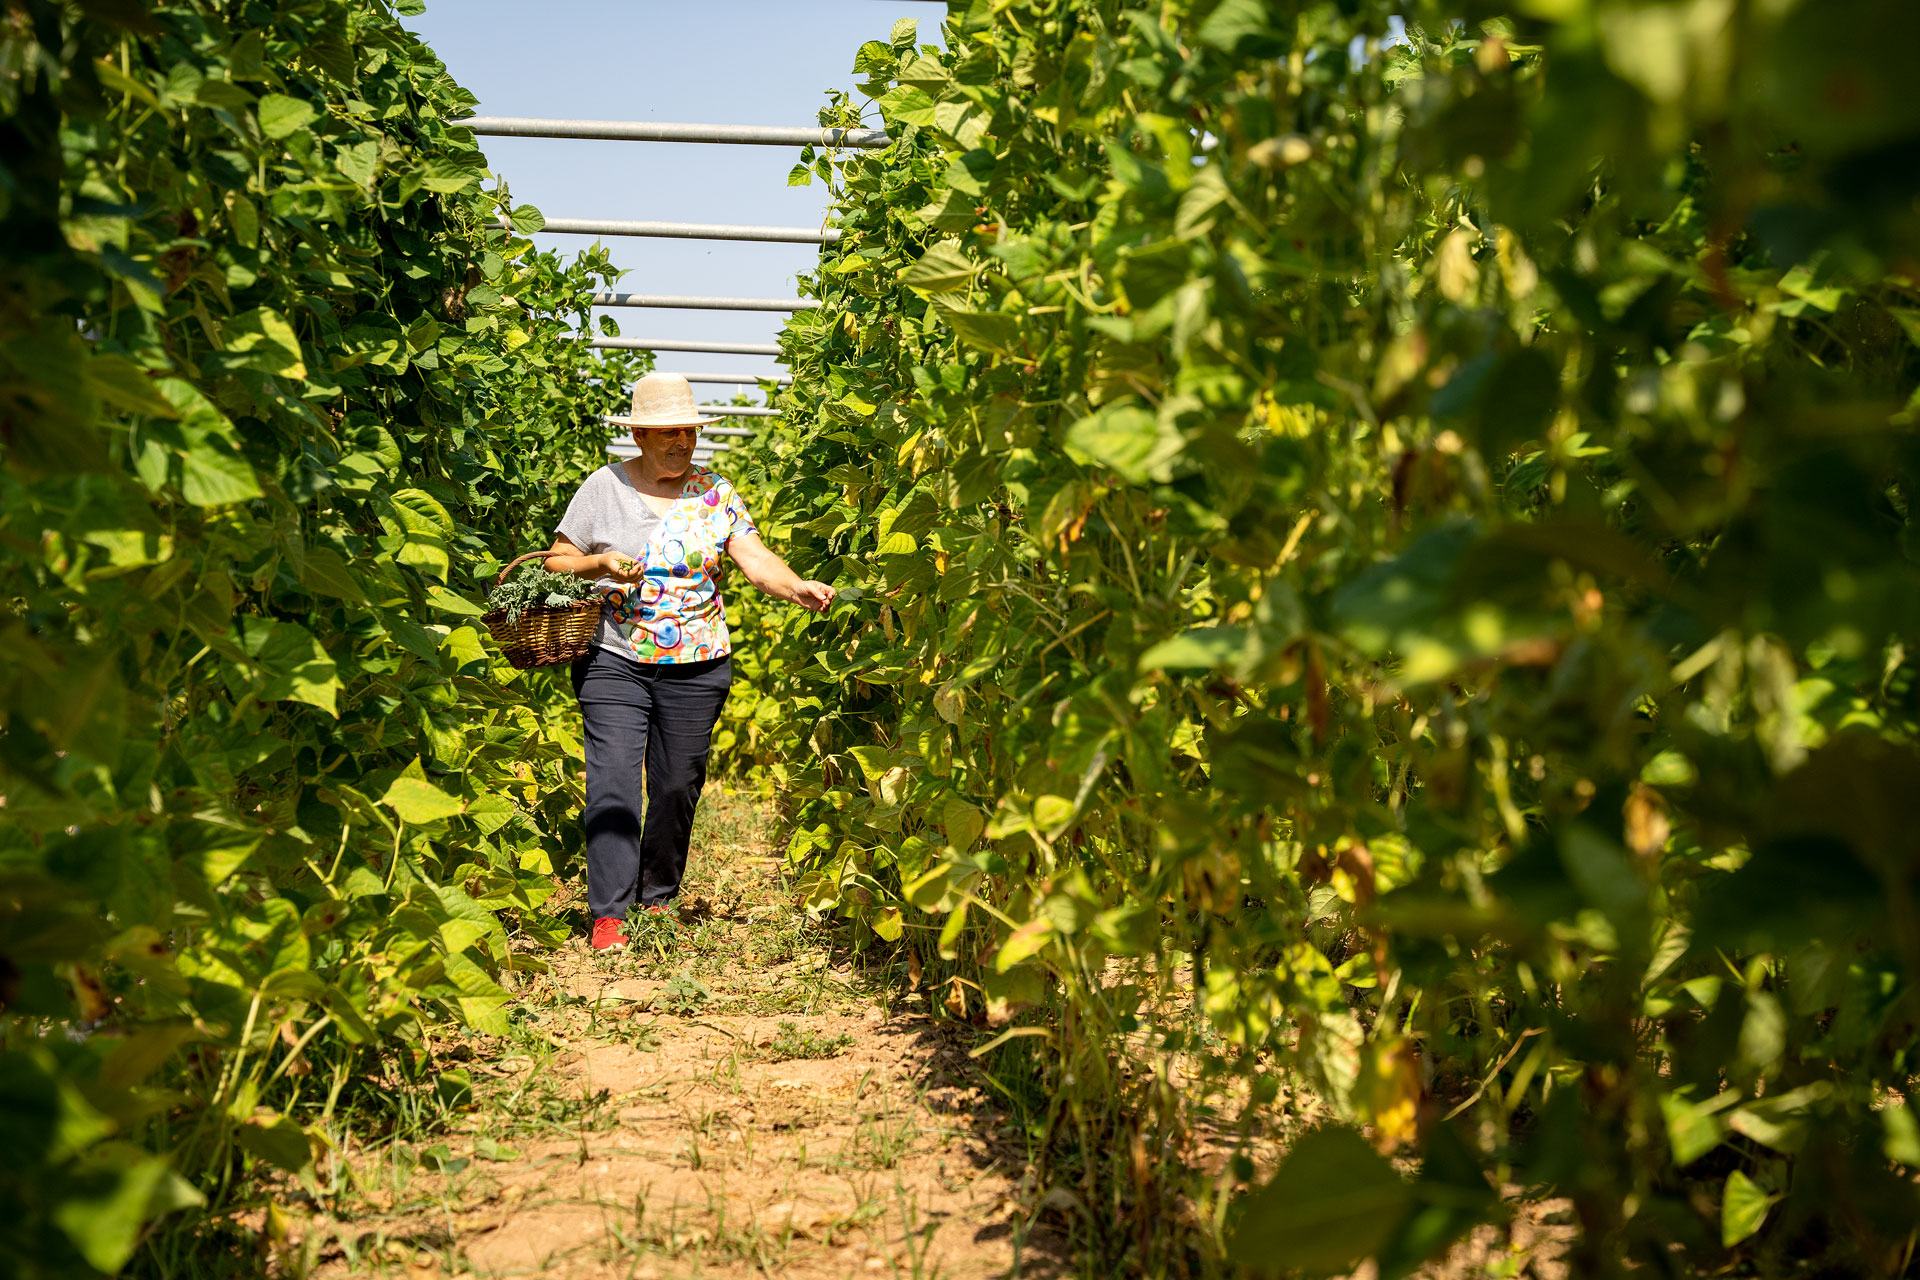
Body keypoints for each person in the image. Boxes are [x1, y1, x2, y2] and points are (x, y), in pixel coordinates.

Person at [545, 372, 835, 951]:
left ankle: (657, 900)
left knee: (678, 785)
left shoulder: (716, 491)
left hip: (698, 662)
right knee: (614, 783)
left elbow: (754, 559)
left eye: (689, 432)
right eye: (668, 432)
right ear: (639, 433)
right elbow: (556, 560)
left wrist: (795, 585)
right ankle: (610, 914)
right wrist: (599, 564)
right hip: (614, 656)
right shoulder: (602, 488)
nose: (681, 442)